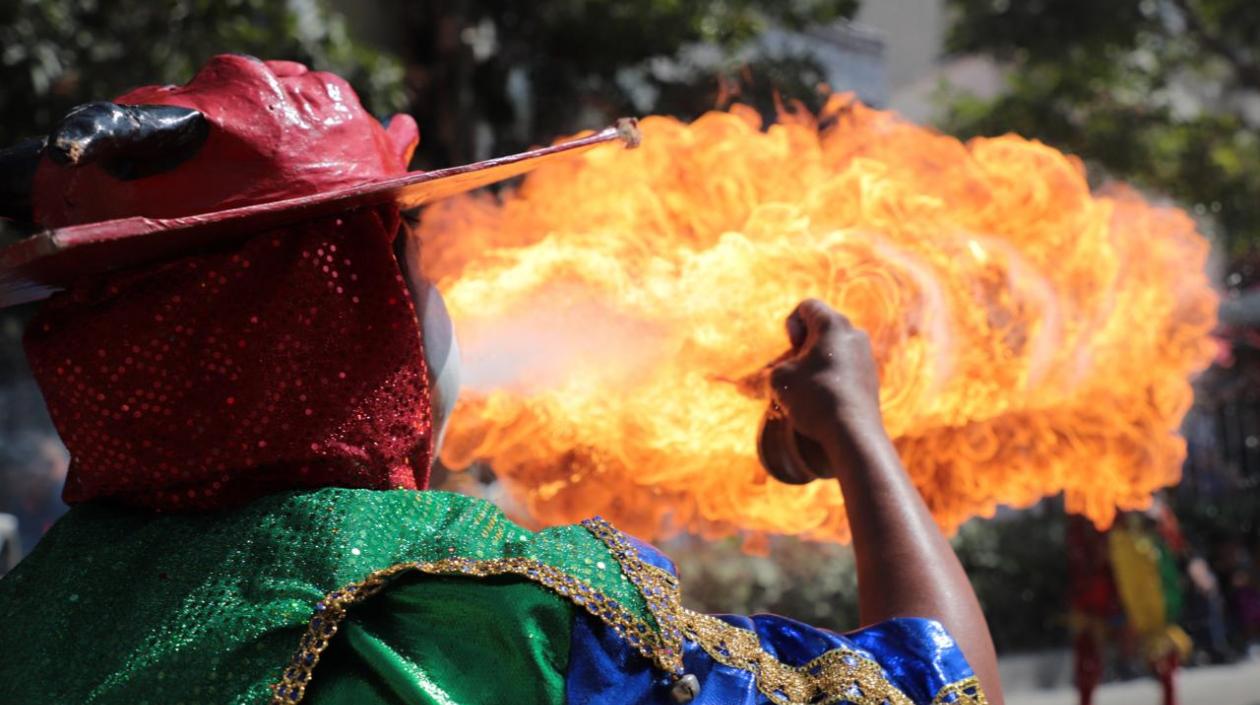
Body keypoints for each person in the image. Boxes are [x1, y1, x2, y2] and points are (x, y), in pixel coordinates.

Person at [0, 56, 1001, 705]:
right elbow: (938, 693)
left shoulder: (34, 619)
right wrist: (861, 438)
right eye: (401, 255)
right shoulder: (480, 617)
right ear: (345, 315)